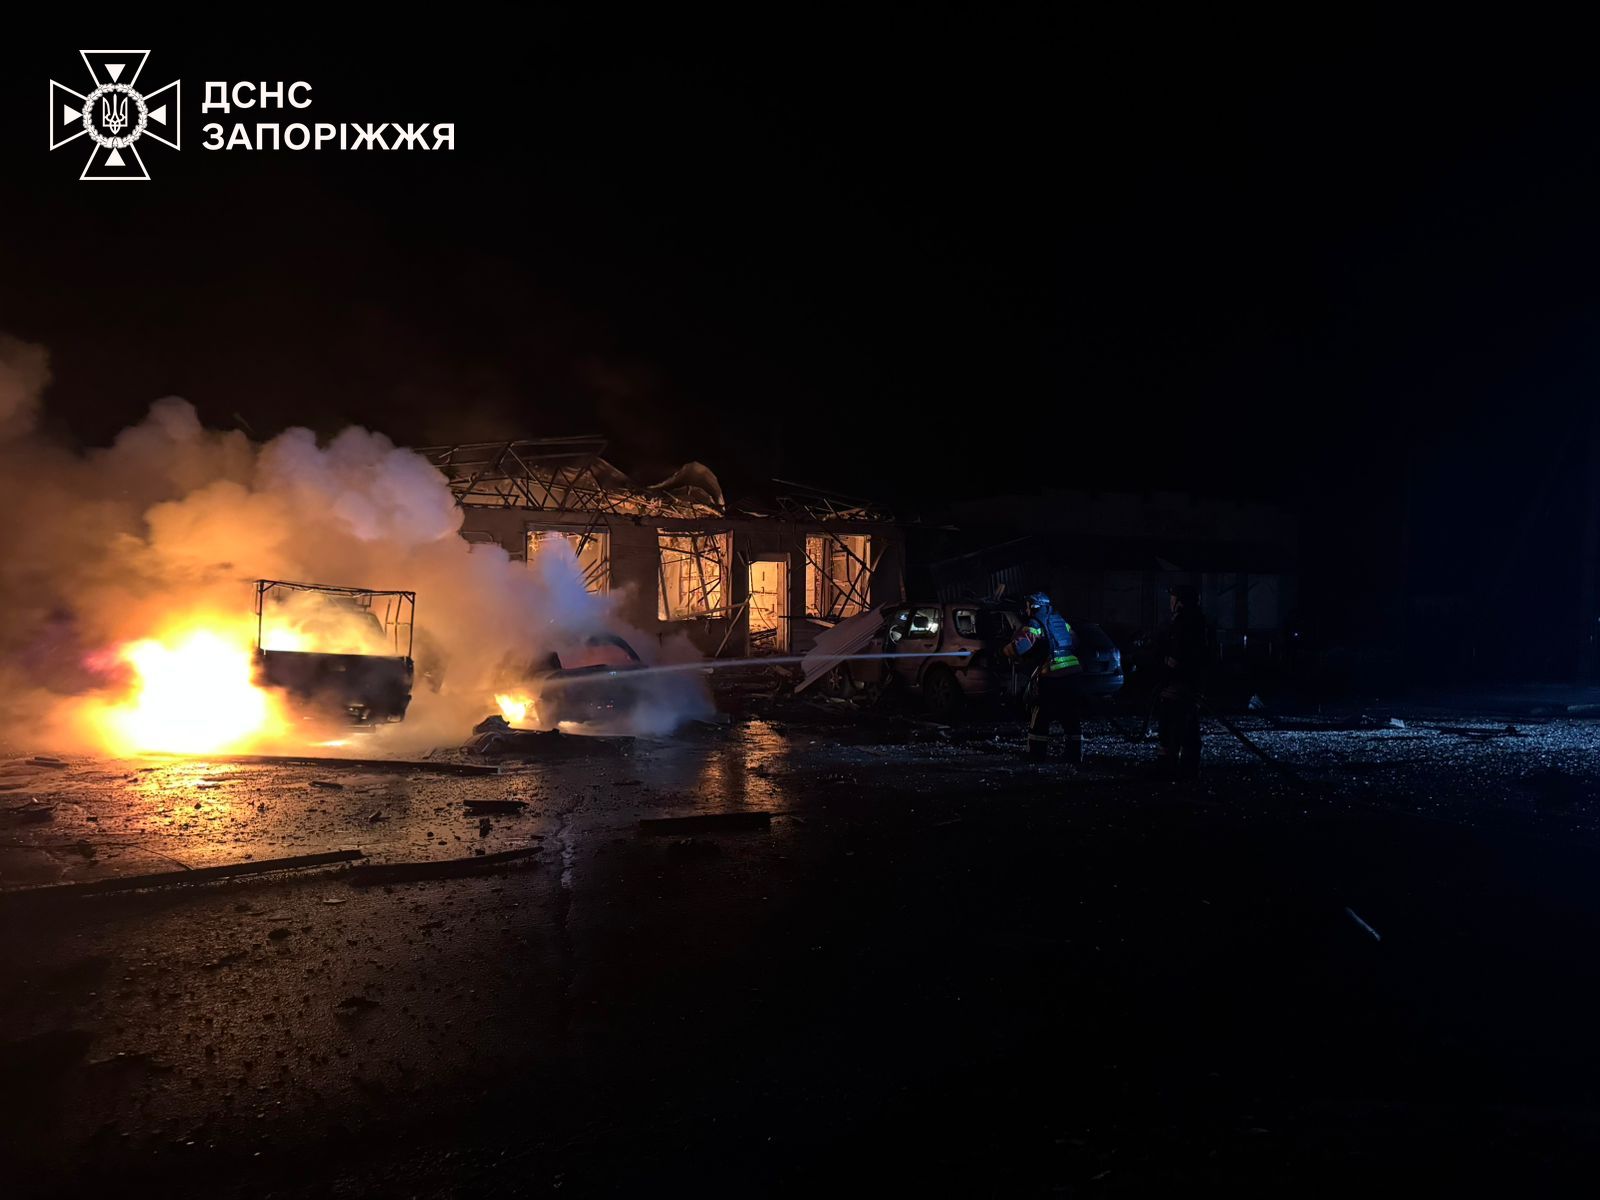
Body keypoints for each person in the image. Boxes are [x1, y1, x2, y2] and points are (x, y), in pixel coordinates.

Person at [1003, 592, 1084, 762]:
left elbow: (1021, 646)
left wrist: (1005, 651)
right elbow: (1075, 641)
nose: (1026, 610)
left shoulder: (1035, 622)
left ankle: (1036, 754)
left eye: (1027, 607)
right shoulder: (1060, 621)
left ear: (1034, 607)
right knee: (1071, 715)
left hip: (1052, 675)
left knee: (1040, 714)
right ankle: (1075, 755)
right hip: (1073, 674)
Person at [1157, 583, 1208, 778]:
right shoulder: (1197, 620)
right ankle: (1189, 769)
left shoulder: (1184, 622)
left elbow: (1177, 655)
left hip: (1179, 685)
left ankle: (1169, 768)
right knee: (1188, 727)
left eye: (1172, 598)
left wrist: (1165, 672)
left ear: (1180, 601)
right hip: (1190, 684)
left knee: (1172, 727)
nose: (1170, 602)